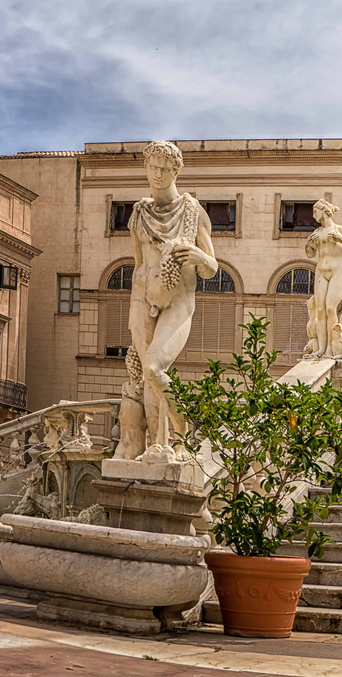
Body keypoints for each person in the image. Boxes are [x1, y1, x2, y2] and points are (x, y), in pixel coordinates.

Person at [126, 140, 217, 463]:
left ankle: (183, 434)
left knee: (153, 368)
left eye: (165, 169)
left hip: (178, 303)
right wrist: (138, 305)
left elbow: (212, 267)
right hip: (142, 299)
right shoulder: (139, 213)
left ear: (176, 170)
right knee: (148, 379)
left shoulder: (193, 212)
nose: (159, 174)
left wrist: (196, 255)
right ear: (146, 168)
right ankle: (158, 446)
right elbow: (139, 263)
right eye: (153, 168)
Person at [305, 199, 342, 359]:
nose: (313, 214)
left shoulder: (339, 229)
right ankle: (320, 349)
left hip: (338, 271)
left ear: (324, 211)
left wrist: (340, 239)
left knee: (330, 308)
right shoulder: (316, 233)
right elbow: (310, 254)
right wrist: (309, 244)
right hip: (321, 270)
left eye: (315, 211)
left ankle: (331, 348)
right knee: (320, 309)